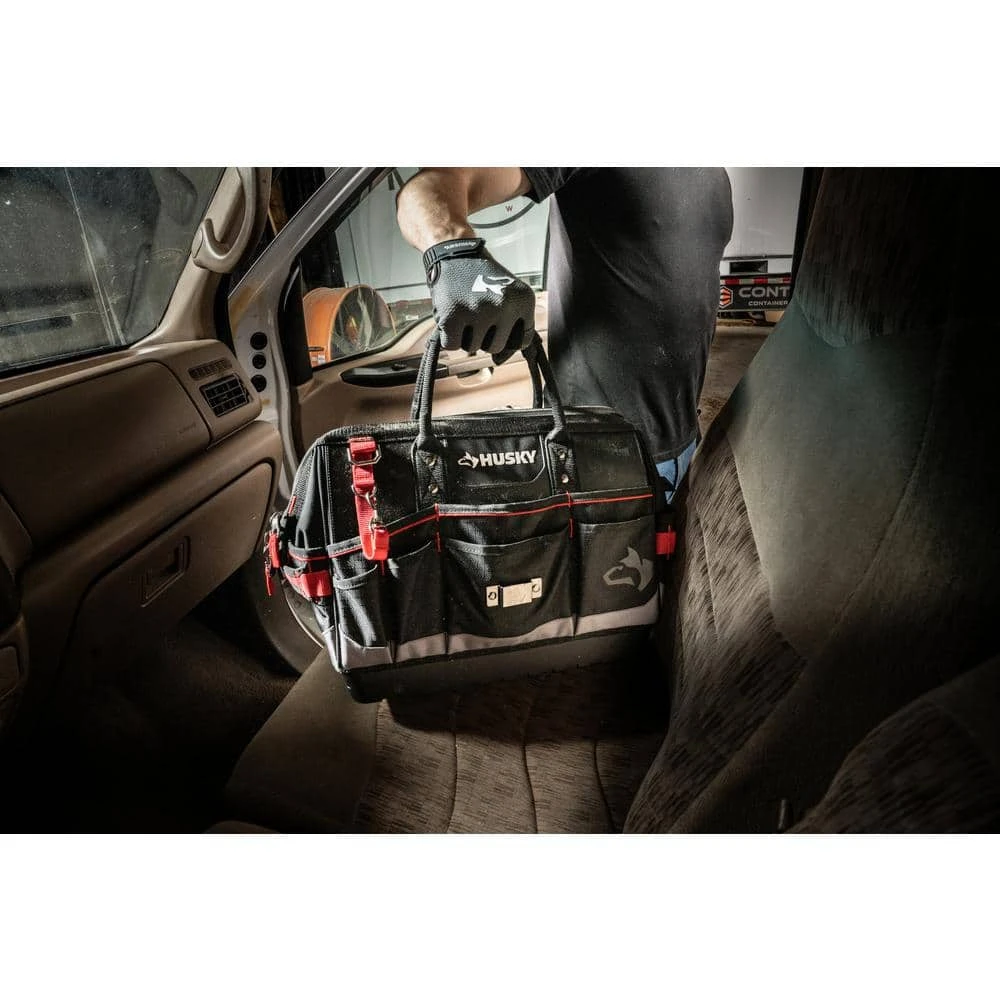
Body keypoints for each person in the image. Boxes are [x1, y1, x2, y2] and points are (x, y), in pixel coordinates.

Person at [395, 168, 734, 502]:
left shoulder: (715, 174)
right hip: (597, 462)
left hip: (686, 446)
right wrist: (454, 254)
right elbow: (429, 188)